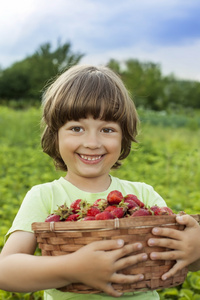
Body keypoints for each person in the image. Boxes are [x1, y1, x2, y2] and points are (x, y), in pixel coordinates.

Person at [0, 65, 200, 300]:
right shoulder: (45, 197)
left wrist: (195, 249)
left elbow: (179, 256)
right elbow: (6, 271)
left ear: (123, 136)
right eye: (76, 128)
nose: (93, 142)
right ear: (55, 135)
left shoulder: (143, 195)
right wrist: (72, 268)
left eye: (107, 129)